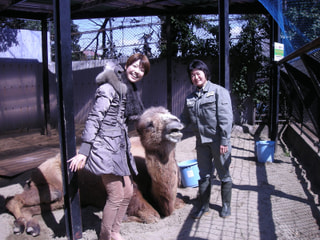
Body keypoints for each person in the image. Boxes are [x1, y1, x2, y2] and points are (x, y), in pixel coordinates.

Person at [68, 53, 150, 240]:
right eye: (135, 66)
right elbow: (94, 119)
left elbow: (123, 120)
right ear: (127, 65)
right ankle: (106, 236)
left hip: (119, 147)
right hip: (104, 147)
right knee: (116, 194)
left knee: (128, 191)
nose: (137, 71)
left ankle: (114, 231)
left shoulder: (129, 90)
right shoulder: (109, 88)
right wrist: (84, 152)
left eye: (142, 69)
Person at [180, 59, 233, 219]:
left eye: (198, 73)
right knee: (204, 175)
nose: (195, 77)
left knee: (223, 173)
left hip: (218, 142)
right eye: (192, 75)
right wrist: (173, 127)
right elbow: (184, 118)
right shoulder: (190, 98)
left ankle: (226, 206)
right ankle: (204, 206)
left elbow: (225, 118)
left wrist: (224, 141)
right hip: (201, 143)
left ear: (205, 73)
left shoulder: (218, 91)